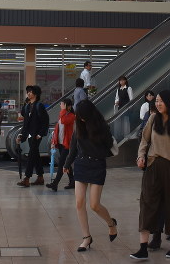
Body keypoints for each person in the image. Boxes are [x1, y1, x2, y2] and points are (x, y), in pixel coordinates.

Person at [131, 91, 170, 260]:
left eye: (161, 101)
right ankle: (143, 247)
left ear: (169, 102)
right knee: (147, 204)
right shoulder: (153, 119)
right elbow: (144, 139)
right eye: (156, 101)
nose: (157, 104)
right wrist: (141, 155)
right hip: (152, 166)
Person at [62, 99, 117, 252]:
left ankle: (111, 223)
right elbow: (73, 146)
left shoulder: (102, 127)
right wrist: (67, 164)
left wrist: (97, 154)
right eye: (79, 116)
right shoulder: (78, 125)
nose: (80, 118)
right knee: (79, 202)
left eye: (82, 116)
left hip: (97, 166)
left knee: (94, 205)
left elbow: (108, 147)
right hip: (81, 165)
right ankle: (86, 237)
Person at [17, 85, 49, 186]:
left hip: (36, 135)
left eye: (30, 92)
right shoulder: (27, 106)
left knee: (31, 155)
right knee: (35, 155)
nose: (28, 93)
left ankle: (27, 178)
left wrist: (41, 133)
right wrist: (22, 135)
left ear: (35, 94)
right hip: (29, 134)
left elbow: (45, 121)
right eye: (28, 92)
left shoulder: (39, 106)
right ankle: (40, 177)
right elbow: (25, 121)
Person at [47, 98, 76, 191]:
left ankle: (55, 183)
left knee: (62, 163)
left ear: (68, 106)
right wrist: (53, 142)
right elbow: (57, 129)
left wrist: (64, 110)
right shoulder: (62, 115)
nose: (60, 106)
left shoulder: (71, 116)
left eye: (62, 104)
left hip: (67, 144)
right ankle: (72, 181)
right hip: (60, 143)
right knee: (66, 163)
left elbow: (64, 121)